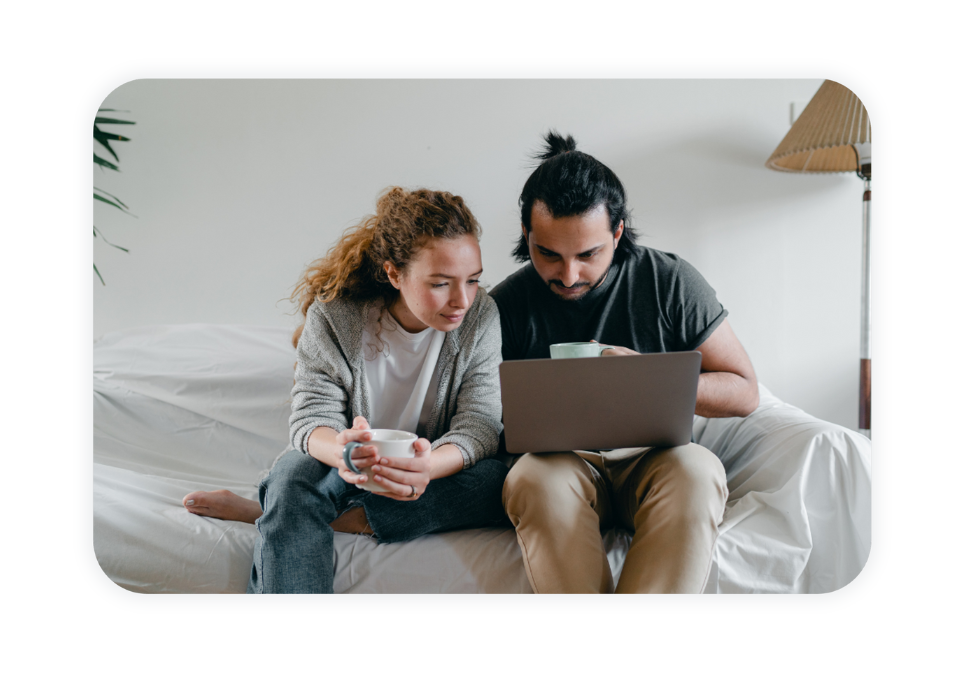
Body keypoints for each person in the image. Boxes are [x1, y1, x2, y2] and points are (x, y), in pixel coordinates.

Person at [184, 187, 509, 593]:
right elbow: (310, 421)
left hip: (430, 467)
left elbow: (479, 423)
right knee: (293, 479)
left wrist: (428, 465)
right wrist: (346, 453)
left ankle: (273, 514)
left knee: (499, 482)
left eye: (473, 280)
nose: (462, 299)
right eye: (441, 283)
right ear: (394, 274)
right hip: (343, 458)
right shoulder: (335, 317)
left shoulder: (481, 316)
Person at [490, 132, 760, 594]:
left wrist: (648, 380)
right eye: (548, 254)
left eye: (588, 254)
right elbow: (481, 411)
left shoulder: (669, 282)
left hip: (655, 461)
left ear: (617, 232)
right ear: (526, 236)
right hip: (561, 464)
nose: (569, 275)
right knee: (533, 478)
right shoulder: (506, 304)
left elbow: (745, 391)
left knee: (699, 470)